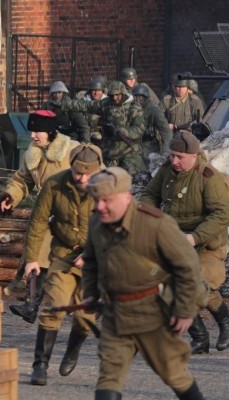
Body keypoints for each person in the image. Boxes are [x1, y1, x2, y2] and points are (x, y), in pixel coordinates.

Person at [81, 167, 207, 400]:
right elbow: (90, 262)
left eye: (106, 200)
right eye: (96, 200)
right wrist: (89, 294)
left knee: (173, 373)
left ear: (126, 197)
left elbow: (188, 267)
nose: (100, 207)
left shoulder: (157, 224)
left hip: (153, 313)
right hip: (115, 313)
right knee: (109, 374)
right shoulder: (96, 224)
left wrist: (184, 311)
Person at [141, 131, 229, 354]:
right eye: (172, 155)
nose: (174, 161)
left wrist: (194, 237)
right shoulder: (167, 171)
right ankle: (200, 337)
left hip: (207, 243)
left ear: (194, 155)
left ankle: (227, 322)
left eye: (179, 157)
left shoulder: (208, 177)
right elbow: (149, 195)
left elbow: (222, 214)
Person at [23, 144, 103, 385]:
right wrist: (31, 259)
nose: (83, 178)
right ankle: (40, 365)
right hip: (63, 255)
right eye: (79, 172)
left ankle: (72, 350)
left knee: (85, 316)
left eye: (89, 174)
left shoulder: (108, 188)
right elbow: (37, 223)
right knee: (54, 304)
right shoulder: (55, 185)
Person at [0, 110, 80, 311]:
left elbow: (94, 175)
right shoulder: (31, 154)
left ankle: (84, 305)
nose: (33, 135)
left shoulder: (73, 150)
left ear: (50, 132)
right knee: (37, 255)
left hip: (75, 217)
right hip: (47, 214)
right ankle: (32, 305)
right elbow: (22, 180)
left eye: (37, 131)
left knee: (76, 261)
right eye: (31, 131)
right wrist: (10, 197)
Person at [64, 80, 147, 174]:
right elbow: (87, 106)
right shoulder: (107, 103)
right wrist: (64, 105)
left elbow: (139, 129)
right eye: (112, 96)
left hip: (129, 150)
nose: (115, 98)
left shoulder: (134, 107)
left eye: (117, 95)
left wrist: (121, 131)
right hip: (109, 151)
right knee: (105, 178)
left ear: (123, 93)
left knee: (127, 178)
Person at [132, 84, 172, 160]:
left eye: (140, 97)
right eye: (135, 97)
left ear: (145, 97)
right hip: (132, 144)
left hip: (148, 146)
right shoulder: (130, 108)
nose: (137, 99)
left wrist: (166, 152)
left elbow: (166, 132)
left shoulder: (153, 110)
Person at [77, 76, 108, 144]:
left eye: (99, 90)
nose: (96, 93)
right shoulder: (83, 101)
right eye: (94, 90)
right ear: (90, 91)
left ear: (103, 91)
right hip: (86, 133)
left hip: (103, 133)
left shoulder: (108, 103)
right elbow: (80, 118)